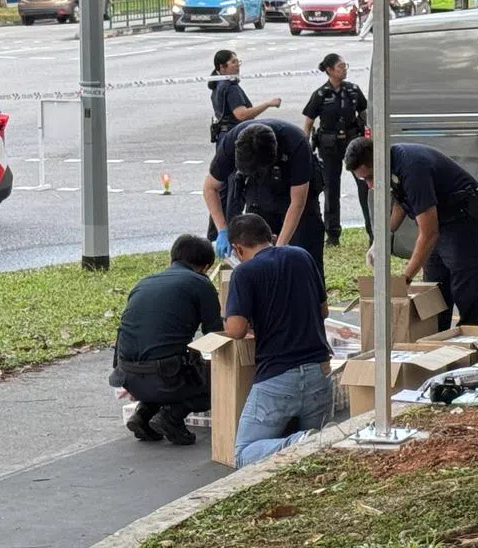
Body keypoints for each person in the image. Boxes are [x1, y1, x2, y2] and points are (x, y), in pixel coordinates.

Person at [344, 137, 478, 329]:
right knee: (434, 291)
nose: (370, 185)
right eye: (364, 180)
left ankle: (473, 343)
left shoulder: (413, 169)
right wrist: (383, 238)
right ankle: (437, 342)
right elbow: (402, 201)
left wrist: (404, 279)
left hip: (464, 223)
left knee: (467, 291)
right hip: (443, 221)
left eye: (370, 177)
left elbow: (429, 233)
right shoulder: (391, 163)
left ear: (378, 161)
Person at [224, 213, 332, 468]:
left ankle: (299, 442)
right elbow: (323, 310)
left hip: (277, 378)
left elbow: (236, 330)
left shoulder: (244, 273)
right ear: (270, 237)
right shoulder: (301, 256)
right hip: (319, 371)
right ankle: (309, 440)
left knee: (244, 452)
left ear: (238, 249)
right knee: (317, 459)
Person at [109, 235, 222, 446]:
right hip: (165, 377)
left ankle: (142, 415)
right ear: (205, 267)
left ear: (171, 260)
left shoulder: (143, 283)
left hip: (127, 376)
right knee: (215, 379)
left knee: (165, 357)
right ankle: (171, 418)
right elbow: (215, 335)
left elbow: (122, 331)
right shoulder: (201, 284)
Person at [204, 120, 326, 275]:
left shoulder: (296, 143)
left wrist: (279, 248)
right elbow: (210, 187)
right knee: (258, 259)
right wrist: (222, 229)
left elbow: (298, 203)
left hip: (299, 204)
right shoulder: (232, 141)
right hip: (260, 200)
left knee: (306, 261)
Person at [207, 50, 282, 240]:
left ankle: (215, 233)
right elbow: (241, 114)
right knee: (234, 188)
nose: (237, 65)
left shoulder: (218, 85)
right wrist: (268, 104)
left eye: (237, 61)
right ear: (221, 67)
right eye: (233, 62)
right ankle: (230, 233)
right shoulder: (230, 87)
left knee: (222, 188)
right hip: (233, 138)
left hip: (223, 137)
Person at [302, 54, 372, 247]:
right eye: (340, 66)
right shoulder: (320, 94)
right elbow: (308, 121)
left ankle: (373, 232)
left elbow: (365, 113)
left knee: (364, 186)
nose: (344, 69)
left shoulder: (353, 91)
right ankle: (333, 235)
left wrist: (371, 135)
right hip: (329, 146)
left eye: (345, 65)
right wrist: (305, 145)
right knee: (331, 189)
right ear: (330, 70)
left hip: (354, 145)